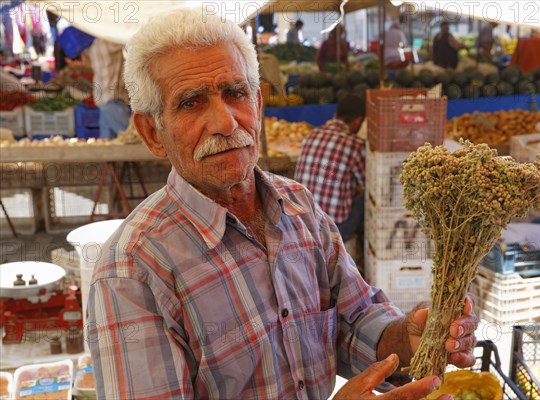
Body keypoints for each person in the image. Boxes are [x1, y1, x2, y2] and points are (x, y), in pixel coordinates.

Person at [88, 8, 478, 399]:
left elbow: (355, 321)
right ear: (151, 133)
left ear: (257, 105)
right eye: (191, 103)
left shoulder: (298, 206)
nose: (225, 122)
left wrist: (406, 338)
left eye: (235, 93)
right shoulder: (130, 272)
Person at [294, 94, 366, 242]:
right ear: (358, 121)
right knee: (366, 198)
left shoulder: (312, 135)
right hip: (335, 229)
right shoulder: (355, 144)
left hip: (302, 222)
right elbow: (367, 184)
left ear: (336, 114)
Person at [88, 37, 130, 139]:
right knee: (132, 138)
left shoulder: (95, 44)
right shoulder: (109, 42)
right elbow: (128, 38)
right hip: (113, 101)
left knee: (107, 143)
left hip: (103, 101)